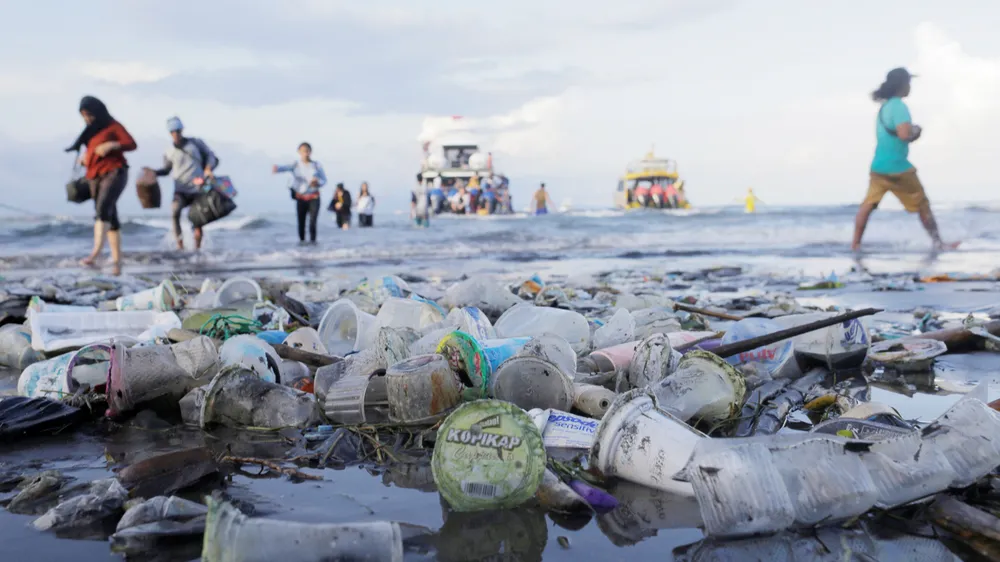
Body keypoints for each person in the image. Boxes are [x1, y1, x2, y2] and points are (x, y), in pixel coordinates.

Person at [853, 68, 958, 253]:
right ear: (901, 85)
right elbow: (904, 135)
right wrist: (916, 132)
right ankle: (938, 243)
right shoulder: (899, 107)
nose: (910, 86)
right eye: (908, 82)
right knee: (922, 204)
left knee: (868, 204)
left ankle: (855, 245)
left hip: (878, 166)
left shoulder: (884, 108)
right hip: (898, 167)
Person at [66, 96, 137, 276]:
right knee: (110, 216)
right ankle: (116, 259)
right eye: (83, 116)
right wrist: (85, 158)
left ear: (97, 111)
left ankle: (95, 254)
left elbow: (131, 143)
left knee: (102, 208)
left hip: (115, 172)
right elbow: (90, 151)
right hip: (95, 176)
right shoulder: (90, 132)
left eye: (89, 114)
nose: (87, 119)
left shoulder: (113, 126)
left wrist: (112, 144)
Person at [153, 117, 219, 251]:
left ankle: (197, 249)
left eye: (178, 131)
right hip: (180, 191)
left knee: (198, 220)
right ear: (170, 133)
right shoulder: (168, 151)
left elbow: (211, 156)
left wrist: (208, 168)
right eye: (173, 132)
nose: (176, 134)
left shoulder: (196, 143)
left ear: (182, 130)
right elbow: (166, 170)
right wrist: (153, 173)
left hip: (198, 189)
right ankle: (180, 247)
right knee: (175, 212)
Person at [273, 142, 326, 244]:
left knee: (312, 223)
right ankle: (302, 246)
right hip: (301, 197)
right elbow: (284, 168)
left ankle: (313, 245)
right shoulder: (296, 165)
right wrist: (276, 168)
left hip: (314, 197)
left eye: (307, 151)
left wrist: (317, 182)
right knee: (301, 223)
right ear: (299, 152)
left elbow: (324, 180)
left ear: (310, 152)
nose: (305, 153)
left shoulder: (316, 165)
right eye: (303, 151)